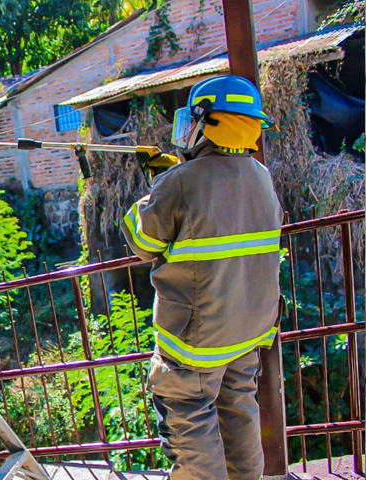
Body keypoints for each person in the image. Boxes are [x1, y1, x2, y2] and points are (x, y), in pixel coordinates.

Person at [120, 74, 283, 479]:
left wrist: (159, 184)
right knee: (238, 412)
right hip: (247, 331)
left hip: (196, 339)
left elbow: (143, 241)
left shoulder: (180, 181)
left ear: (206, 121)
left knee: (190, 421)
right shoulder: (261, 175)